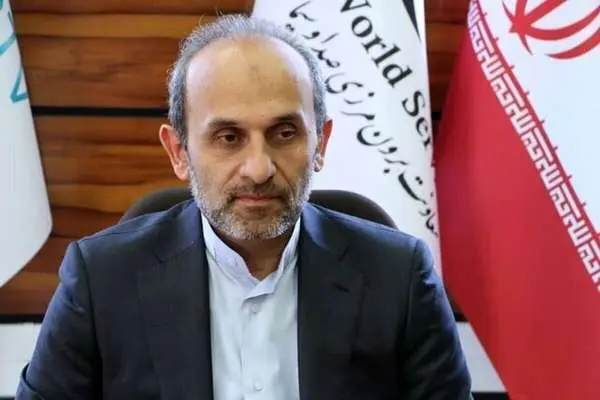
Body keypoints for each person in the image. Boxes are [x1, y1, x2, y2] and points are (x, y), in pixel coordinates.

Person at [16, 15, 472, 400]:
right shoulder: (100, 279)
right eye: (228, 137)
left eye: (284, 133)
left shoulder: (400, 279)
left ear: (320, 144)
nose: (258, 168)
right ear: (178, 151)